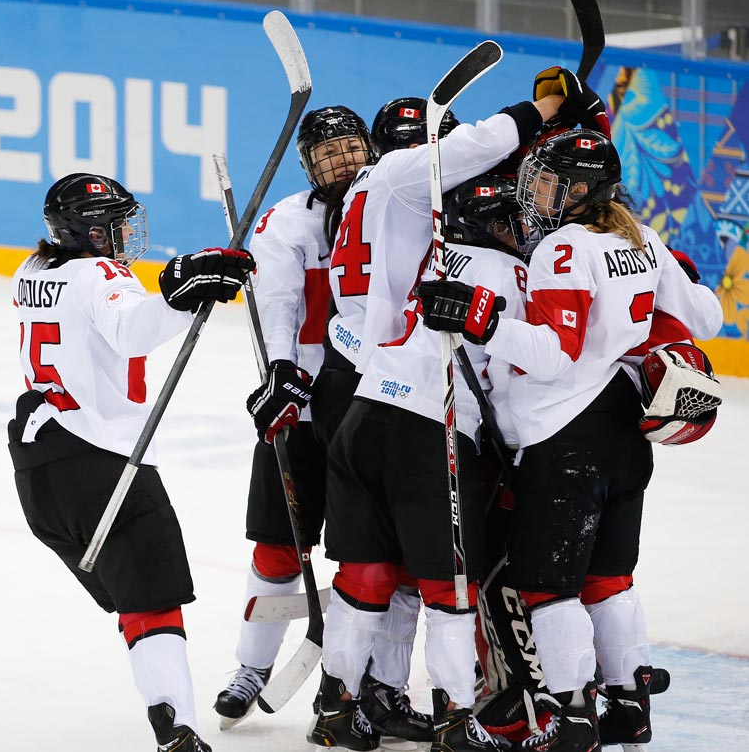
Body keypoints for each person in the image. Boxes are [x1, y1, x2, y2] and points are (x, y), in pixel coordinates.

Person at [418, 126, 722, 751]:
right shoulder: (641, 240)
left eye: (550, 182)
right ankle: (629, 706)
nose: (537, 193)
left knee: (546, 588)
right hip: (623, 431)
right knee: (609, 579)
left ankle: (572, 716)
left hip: (565, 437)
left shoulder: (562, 248)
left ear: (582, 190)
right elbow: (707, 317)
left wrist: (485, 322)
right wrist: (662, 288)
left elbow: (556, 356)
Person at [307, 84, 579, 752]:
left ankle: (337, 705)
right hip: (432, 426)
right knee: (447, 585)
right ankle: (457, 719)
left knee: (365, 573)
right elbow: (528, 372)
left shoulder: (407, 237)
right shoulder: (503, 266)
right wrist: (543, 113)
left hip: (364, 407)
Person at [7, 173, 254, 752]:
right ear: (91, 233)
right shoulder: (101, 274)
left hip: (40, 467)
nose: (125, 233)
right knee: (153, 601)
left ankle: (173, 719)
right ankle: (176, 728)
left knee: (133, 594)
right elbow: (129, 332)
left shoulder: (29, 273)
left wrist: (187, 291)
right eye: (115, 224)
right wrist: (183, 291)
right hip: (103, 463)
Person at [211, 105, 417, 735]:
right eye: (325, 155)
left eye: (350, 148)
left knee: (390, 553)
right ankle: (250, 667)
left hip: (384, 400)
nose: (341, 161)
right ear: (308, 166)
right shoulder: (287, 222)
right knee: (278, 546)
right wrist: (279, 370)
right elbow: (276, 300)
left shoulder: (399, 205)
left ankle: (385, 687)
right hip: (303, 399)